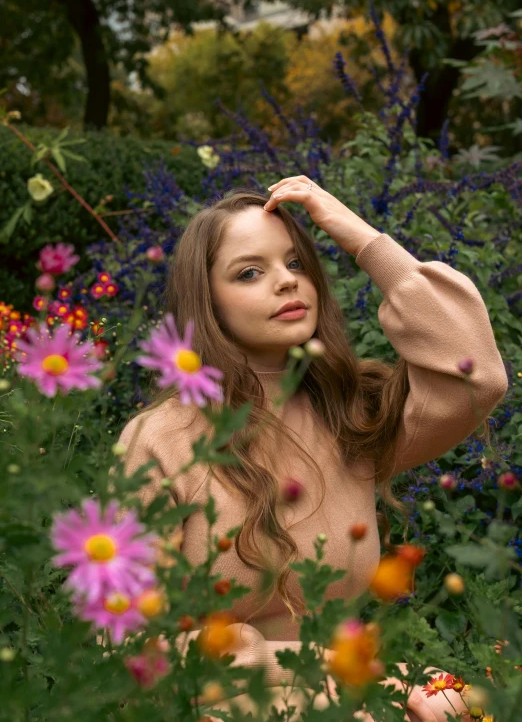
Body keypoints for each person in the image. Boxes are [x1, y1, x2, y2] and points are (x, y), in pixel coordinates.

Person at [118, 177, 508, 722]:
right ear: (206, 303)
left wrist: (361, 239)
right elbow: (132, 644)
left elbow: (476, 375)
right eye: (250, 272)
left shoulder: (350, 418)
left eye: (297, 263)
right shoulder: (160, 443)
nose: (286, 282)